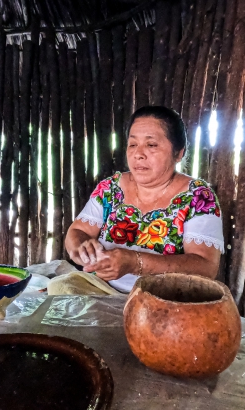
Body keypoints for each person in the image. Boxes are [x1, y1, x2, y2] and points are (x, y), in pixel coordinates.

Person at [64, 106, 224, 293]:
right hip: (101, 289)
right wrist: (83, 247)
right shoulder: (111, 188)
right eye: (133, 144)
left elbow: (205, 267)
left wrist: (135, 262)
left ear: (178, 153)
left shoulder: (198, 197)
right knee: (60, 288)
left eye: (151, 145)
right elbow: (78, 231)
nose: (138, 154)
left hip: (163, 299)